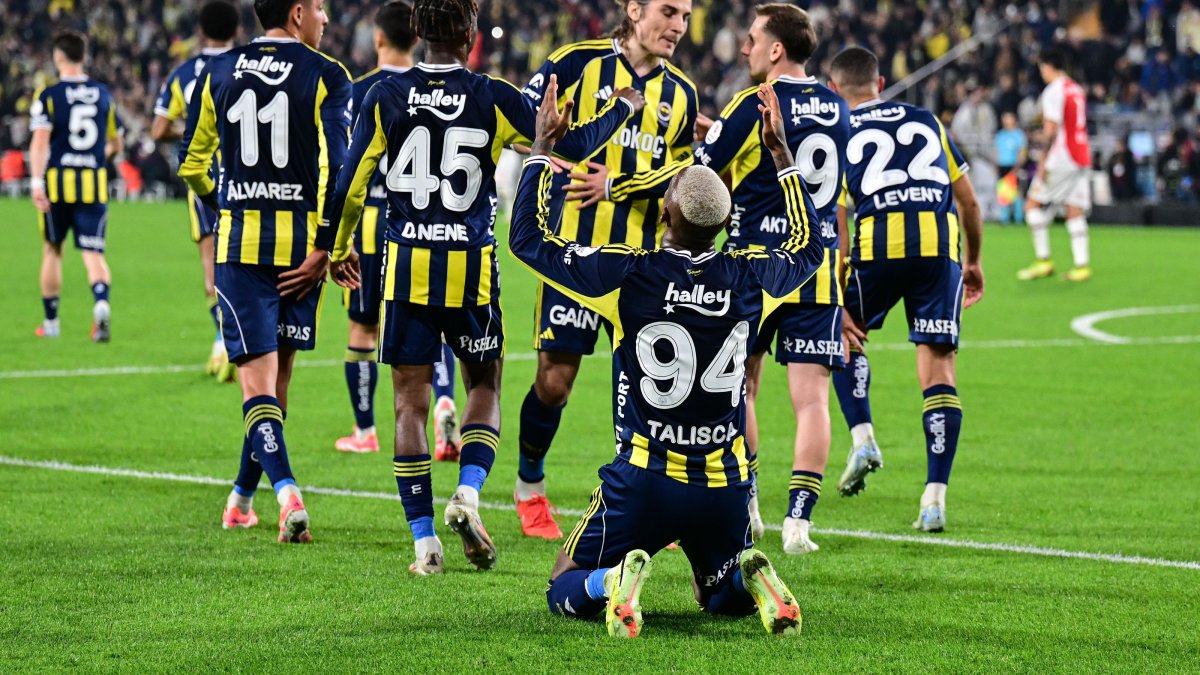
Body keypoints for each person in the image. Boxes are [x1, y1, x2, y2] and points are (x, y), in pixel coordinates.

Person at [329, 0, 642, 575]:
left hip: (405, 268)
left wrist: (338, 243)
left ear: (418, 30)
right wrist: (621, 111)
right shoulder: (493, 96)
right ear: (472, 33)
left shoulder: (382, 96)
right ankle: (468, 494)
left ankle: (424, 543)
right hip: (470, 271)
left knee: (408, 402)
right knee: (486, 385)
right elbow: (564, 149)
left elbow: (350, 184)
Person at [515, 81, 823, 638]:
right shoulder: (752, 277)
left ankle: (611, 584)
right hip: (725, 484)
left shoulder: (628, 275)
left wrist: (540, 149)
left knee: (565, 578)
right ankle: (749, 577)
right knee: (714, 593)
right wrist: (780, 154)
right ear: (723, 223)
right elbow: (809, 245)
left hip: (645, 478)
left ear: (665, 212)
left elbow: (528, 241)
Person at [514, 0, 698, 541]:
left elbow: (682, 172)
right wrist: (573, 158)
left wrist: (615, 183)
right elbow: (529, 132)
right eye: (668, 11)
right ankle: (529, 487)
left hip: (640, 267)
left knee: (642, 391)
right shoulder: (574, 63)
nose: (679, 26)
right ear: (634, 9)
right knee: (554, 383)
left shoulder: (682, 94)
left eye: (686, 17)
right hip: (574, 255)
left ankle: (635, 501)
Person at [177, 0, 359, 543]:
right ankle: (282, 495)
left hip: (241, 250)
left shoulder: (216, 72)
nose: (326, 19)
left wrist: (225, 200)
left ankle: (246, 499)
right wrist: (330, 248)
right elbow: (340, 171)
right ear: (298, 11)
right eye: (321, 7)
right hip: (302, 253)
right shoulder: (327, 75)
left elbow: (191, 161)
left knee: (258, 391)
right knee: (275, 388)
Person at [692, 3, 849, 554]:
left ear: (775, 49)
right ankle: (799, 524)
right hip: (816, 263)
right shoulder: (838, 107)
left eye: (753, 38)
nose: (745, 46)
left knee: (741, 389)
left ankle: (750, 504)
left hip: (755, 266)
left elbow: (700, 174)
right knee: (811, 401)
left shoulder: (753, 103)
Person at [827, 47, 984, 532]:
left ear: (835, 91)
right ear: (879, 83)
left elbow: (837, 215)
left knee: (842, 336)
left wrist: (839, 285)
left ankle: (864, 436)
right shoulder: (927, 119)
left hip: (876, 247)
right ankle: (934, 499)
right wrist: (973, 261)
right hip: (938, 250)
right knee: (939, 368)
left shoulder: (840, 131)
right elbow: (969, 201)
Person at [330, 0, 463, 457]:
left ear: (379, 38)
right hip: (430, 226)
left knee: (363, 331)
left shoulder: (361, 90)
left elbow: (347, 168)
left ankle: (365, 430)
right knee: (436, 324)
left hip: (369, 224)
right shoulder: (439, 86)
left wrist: (334, 238)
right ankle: (445, 398)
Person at [152, 0, 240, 381]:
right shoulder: (246, 67)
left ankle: (223, 340)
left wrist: (192, 130)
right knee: (247, 263)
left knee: (211, 269)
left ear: (201, 32)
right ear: (236, 31)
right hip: (248, 179)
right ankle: (243, 341)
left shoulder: (184, 73)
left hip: (204, 179)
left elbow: (158, 130)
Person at [29, 31, 124, 342]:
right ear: (84, 57)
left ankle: (52, 324)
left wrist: (36, 181)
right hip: (93, 185)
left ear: (58, 57)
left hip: (57, 185)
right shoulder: (103, 94)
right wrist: (96, 156)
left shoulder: (49, 95)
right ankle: (100, 305)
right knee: (93, 253)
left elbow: (40, 142)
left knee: (52, 250)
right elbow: (116, 143)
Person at [1018, 48, 1092, 282]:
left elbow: (1051, 130)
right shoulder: (1076, 88)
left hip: (1062, 157)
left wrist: (1042, 159)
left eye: (1042, 69)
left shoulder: (1053, 91)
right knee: (1074, 210)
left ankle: (1043, 261)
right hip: (1081, 155)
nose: (1042, 74)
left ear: (1049, 67)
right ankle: (1082, 266)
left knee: (1031, 205)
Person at [995, 111, 1028, 224]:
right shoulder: (1000, 135)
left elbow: (1022, 152)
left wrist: (1018, 166)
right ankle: (1005, 219)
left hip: (1014, 166)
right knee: (1003, 193)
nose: (1006, 120)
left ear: (1014, 120)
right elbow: (996, 152)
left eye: (1009, 118)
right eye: (1004, 118)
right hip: (1002, 166)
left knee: (1017, 193)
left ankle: (1018, 218)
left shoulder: (1019, 135)